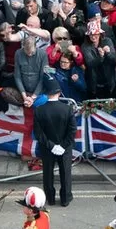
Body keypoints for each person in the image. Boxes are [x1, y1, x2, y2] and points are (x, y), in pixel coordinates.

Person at [34, 75, 77, 207]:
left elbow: (39, 133)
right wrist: (63, 146)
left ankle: (50, 198)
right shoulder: (68, 109)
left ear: (46, 93)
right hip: (65, 147)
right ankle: (65, 198)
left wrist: (51, 146)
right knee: (65, 173)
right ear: (59, 93)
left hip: (47, 148)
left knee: (48, 173)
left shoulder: (39, 110)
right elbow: (72, 130)